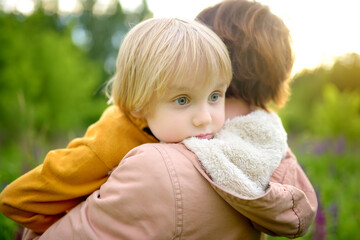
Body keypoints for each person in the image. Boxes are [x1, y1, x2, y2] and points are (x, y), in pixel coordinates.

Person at [2, 0, 318, 238]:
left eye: (215, 96)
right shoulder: (263, 157)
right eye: (182, 99)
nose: (204, 117)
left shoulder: (157, 168)